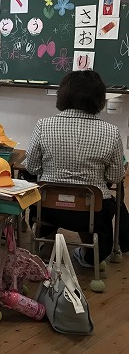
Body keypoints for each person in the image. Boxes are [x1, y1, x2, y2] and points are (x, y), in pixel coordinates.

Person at [25, 70, 129, 265]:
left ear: (63, 94)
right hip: (92, 212)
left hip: (48, 209)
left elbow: (31, 167)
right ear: (99, 98)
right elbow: (115, 177)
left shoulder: (43, 126)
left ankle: (47, 249)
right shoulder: (112, 132)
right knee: (99, 203)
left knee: (44, 194)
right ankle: (89, 255)